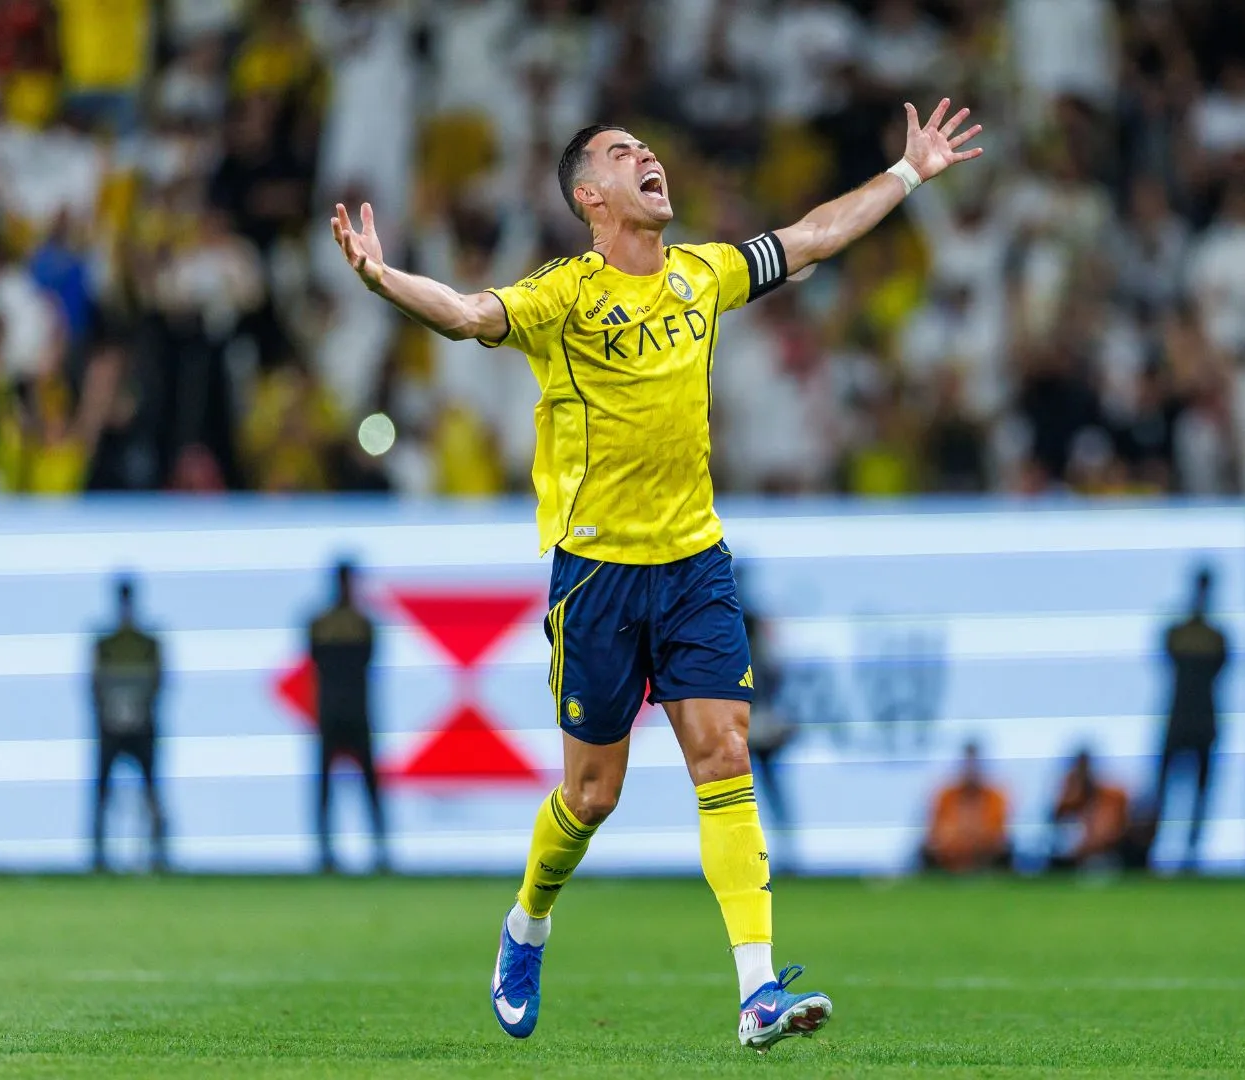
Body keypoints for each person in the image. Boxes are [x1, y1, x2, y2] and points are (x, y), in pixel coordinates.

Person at [332, 94, 984, 1050]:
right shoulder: (564, 295)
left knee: (724, 755)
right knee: (592, 796)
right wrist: (383, 276)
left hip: (694, 565)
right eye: (620, 151)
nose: (647, 156)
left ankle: (757, 991)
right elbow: (469, 314)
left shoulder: (703, 275)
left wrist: (907, 172)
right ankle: (527, 923)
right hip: (597, 575)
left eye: (647, 146)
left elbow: (812, 237)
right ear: (590, 197)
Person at [308, 560, 388, 875]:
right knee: (327, 788)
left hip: (354, 712)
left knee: (369, 786)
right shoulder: (327, 623)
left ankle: (380, 851)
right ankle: (325, 853)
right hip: (334, 713)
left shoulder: (357, 623)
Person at [90, 577, 168, 873]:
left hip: (140, 727)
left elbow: (158, 682)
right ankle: (99, 856)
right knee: (104, 795)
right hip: (112, 728)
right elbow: (95, 685)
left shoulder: (146, 644)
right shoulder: (107, 644)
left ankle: (158, 855)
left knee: (150, 792)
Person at [1156, 566, 1227, 871]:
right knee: (1164, 789)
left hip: (1203, 720)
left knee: (1200, 793)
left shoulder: (1215, 636)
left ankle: (1191, 852)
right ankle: (1155, 848)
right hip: (1179, 718)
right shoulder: (1179, 633)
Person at [741, 574, 798, 873]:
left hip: (751, 719)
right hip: (753, 719)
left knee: (745, 791)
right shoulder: (752, 628)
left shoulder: (746, 628)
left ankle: (781, 852)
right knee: (755, 790)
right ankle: (776, 852)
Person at [1050, 750, 1154, 873]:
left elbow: (1109, 833)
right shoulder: (1070, 799)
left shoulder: (1111, 795)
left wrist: (1086, 847)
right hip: (1077, 855)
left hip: (1106, 855)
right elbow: (1058, 823)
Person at [921, 742, 1012, 874]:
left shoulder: (995, 795)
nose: (970, 770)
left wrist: (973, 836)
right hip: (950, 850)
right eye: (967, 764)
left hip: (985, 851)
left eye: (974, 764)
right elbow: (936, 831)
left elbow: (997, 832)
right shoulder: (946, 795)